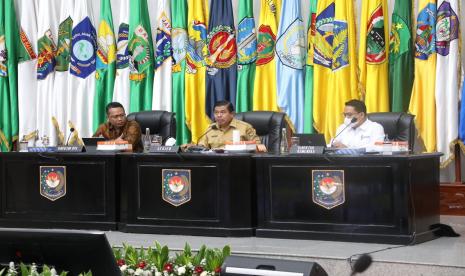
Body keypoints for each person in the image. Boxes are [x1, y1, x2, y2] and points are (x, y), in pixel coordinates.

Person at [195, 100, 267, 152]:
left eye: (223, 112)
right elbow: (202, 148)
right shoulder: (210, 129)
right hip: (215, 164)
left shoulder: (245, 127)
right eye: (216, 112)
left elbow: (259, 147)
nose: (219, 115)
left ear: (232, 114)